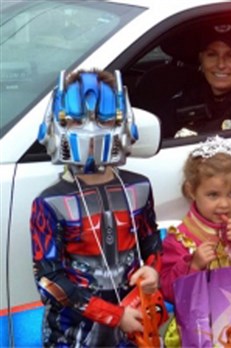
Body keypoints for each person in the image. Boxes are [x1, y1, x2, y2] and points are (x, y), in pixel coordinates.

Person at [31, 69, 162, 346]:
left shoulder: (138, 189)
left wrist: (153, 270)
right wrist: (113, 315)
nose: (90, 132)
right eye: (77, 121)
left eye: (102, 120)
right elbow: (49, 280)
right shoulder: (50, 203)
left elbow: (151, 243)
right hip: (72, 332)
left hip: (133, 325)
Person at [159, 136, 231, 344]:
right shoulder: (180, 238)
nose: (224, 203)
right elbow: (168, 291)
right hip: (199, 333)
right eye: (213, 195)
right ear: (191, 191)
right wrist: (193, 265)